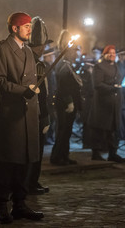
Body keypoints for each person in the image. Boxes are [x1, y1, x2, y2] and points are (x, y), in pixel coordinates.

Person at [0, 12, 44, 224]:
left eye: (30, 25)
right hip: (9, 115)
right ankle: (1, 205)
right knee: (6, 162)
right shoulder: (1, 50)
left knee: (24, 162)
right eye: (26, 26)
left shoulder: (28, 52)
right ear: (14, 28)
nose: (30, 29)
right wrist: (23, 90)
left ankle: (20, 204)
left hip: (27, 114)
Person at [88, 45, 125, 163]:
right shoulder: (99, 67)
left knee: (113, 129)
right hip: (103, 103)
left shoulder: (116, 66)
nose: (112, 55)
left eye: (114, 53)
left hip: (115, 103)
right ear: (105, 55)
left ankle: (113, 153)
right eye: (110, 53)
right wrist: (112, 88)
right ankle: (96, 153)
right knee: (100, 129)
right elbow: (97, 84)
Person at [50, 30, 83, 166]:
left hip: (68, 101)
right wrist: (69, 101)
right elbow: (63, 85)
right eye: (74, 50)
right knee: (63, 131)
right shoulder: (63, 63)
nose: (76, 54)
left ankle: (64, 155)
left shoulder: (66, 63)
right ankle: (57, 157)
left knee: (67, 131)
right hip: (64, 102)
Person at [26, 17, 51, 195]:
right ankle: (30, 182)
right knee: (34, 151)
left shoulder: (31, 60)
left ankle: (32, 181)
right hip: (35, 114)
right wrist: (45, 116)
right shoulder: (34, 63)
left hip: (32, 113)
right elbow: (40, 94)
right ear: (41, 45)